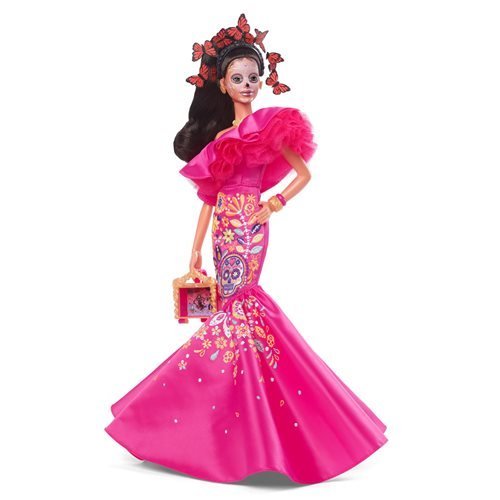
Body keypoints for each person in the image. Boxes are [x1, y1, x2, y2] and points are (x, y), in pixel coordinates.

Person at [105, 13, 388, 484]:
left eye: (254, 78)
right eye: (238, 79)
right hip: (223, 227)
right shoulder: (221, 137)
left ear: (263, 80)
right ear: (222, 85)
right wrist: (194, 249)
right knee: (229, 312)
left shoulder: (270, 126)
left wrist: (273, 204)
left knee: (242, 305)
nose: (247, 85)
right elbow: (209, 196)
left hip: (251, 225)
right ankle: (231, 415)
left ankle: (244, 418)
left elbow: (303, 174)